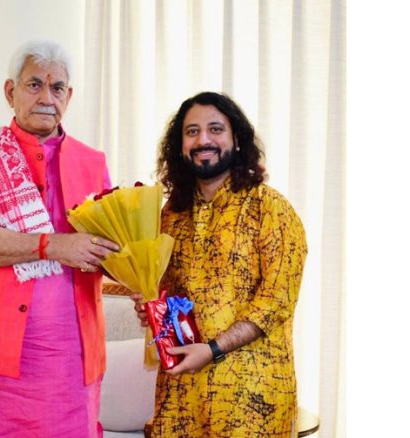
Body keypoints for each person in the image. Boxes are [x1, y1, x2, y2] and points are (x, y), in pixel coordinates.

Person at [0, 39, 119, 437]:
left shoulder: (93, 162)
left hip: (69, 359)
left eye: (57, 88)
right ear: (11, 92)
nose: (46, 97)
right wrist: (54, 244)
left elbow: (111, 245)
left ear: (68, 96)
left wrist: (136, 267)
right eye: (34, 84)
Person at [131, 91, 308, 437]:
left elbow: (276, 301)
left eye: (215, 129)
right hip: (182, 395)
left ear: (236, 140)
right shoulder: (171, 215)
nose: (203, 140)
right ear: (180, 146)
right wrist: (152, 309)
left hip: (251, 399)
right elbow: (167, 290)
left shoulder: (269, 208)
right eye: (192, 131)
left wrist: (212, 350)